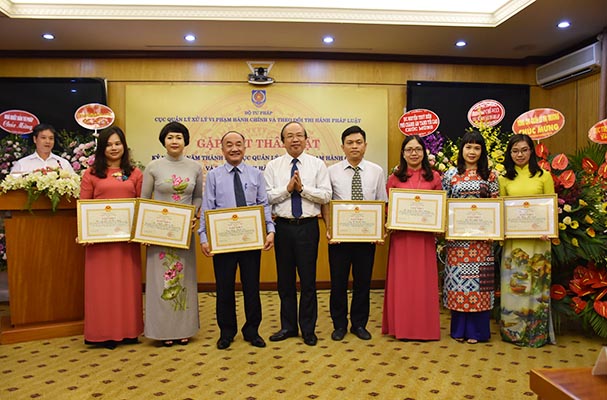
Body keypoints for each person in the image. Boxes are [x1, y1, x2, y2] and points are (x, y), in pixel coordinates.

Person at [199, 131, 275, 350]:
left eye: (238, 144)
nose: (234, 149)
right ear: (222, 149)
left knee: (252, 287)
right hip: (223, 242)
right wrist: (204, 237)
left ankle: (252, 330)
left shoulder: (256, 174)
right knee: (224, 288)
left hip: (251, 240)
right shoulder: (213, 176)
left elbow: (263, 204)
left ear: (245, 147)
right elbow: (207, 207)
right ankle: (226, 331)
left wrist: (270, 229)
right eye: (229, 145)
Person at [264, 121, 332, 346]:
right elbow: (267, 197)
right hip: (282, 227)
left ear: (306, 139)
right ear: (282, 141)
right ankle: (288, 326)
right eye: (290, 136)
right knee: (285, 281)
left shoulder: (317, 165)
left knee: (308, 280)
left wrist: (302, 189)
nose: (295, 139)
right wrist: (287, 189)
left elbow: (326, 195)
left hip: (308, 227)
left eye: (299, 135)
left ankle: (308, 329)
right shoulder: (273, 166)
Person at [79, 126, 144, 349]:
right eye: (108, 144)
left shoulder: (135, 173)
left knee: (127, 286)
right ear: (102, 148)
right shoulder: (91, 174)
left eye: (117, 143)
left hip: (127, 242)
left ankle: (129, 331)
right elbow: (84, 205)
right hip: (99, 243)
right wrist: (84, 232)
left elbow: (142, 204)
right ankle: (102, 333)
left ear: (124, 146)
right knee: (102, 288)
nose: (114, 148)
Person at [321, 125, 387, 341]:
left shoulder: (376, 171)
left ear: (365, 145)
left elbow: (381, 202)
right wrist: (329, 229)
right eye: (350, 143)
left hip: (366, 238)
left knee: (363, 283)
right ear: (343, 147)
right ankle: (339, 325)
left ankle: (359, 324)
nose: (354, 146)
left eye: (358, 142)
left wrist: (379, 231)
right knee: (338, 282)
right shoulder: (331, 171)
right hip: (339, 239)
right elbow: (326, 204)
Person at [141, 121, 203, 347]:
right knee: (161, 282)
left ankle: (183, 329)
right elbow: (144, 199)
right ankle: (162, 331)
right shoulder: (153, 167)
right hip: (158, 234)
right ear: (163, 141)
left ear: (185, 141)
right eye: (170, 137)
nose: (174, 141)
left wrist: (193, 214)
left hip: (183, 234)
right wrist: (144, 231)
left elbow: (198, 196)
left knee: (184, 279)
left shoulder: (195, 167)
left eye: (178, 137)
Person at [382, 134, 442, 341]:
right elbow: (389, 207)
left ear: (424, 152)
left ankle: (425, 329)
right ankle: (401, 327)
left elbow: (439, 208)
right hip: (401, 239)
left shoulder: (434, 177)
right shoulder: (394, 178)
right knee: (403, 284)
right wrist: (390, 218)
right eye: (409, 150)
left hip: (424, 239)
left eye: (417, 149)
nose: (413, 153)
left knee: (423, 283)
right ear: (403, 153)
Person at [442, 129, 499, 344]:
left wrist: (494, 231)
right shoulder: (450, 175)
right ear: (462, 149)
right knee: (458, 285)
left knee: (480, 286)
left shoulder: (490, 175)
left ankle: (477, 332)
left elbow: (496, 204)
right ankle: (459, 330)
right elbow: (444, 205)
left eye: (477, 147)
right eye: (468, 147)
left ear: (482, 151)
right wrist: (445, 230)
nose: (472, 151)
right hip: (457, 242)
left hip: (482, 243)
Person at [499, 134, 555, 347]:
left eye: (524, 150)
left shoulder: (544, 176)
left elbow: (550, 208)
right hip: (514, 244)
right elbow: (501, 210)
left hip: (538, 242)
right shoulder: (504, 179)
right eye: (515, 151)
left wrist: (549, 229)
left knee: (536, 288)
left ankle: (535, 334)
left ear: (531, 151)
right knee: (514, 286)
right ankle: (512, 332)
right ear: (509, 154)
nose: (519, 155)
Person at [10, 123, 74, 174]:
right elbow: (11, 184)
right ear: (35, 139)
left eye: (51, 138)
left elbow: (74, 183)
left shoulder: (63, 163)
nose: (47, 141)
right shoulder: (22, 164)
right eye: (43, 138)